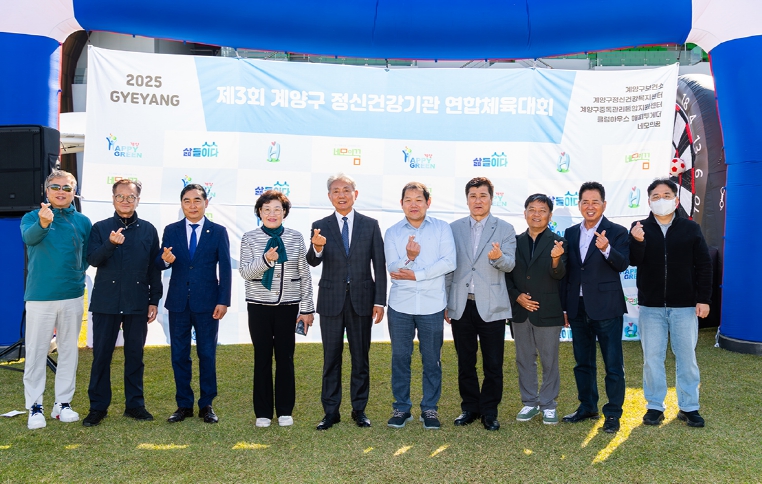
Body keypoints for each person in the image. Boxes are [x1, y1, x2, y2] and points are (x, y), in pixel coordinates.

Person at [629, 178, 712, 428]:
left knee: (686, 357)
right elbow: (633, 261)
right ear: (649, 201)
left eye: (666, 195)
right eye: (655, 196)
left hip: (685, 306)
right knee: (652, 358)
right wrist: (637, 241)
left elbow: (704, 265)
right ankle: (655, 406)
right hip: (651, 307)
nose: (661, 200)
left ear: (676, 200)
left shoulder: (691, 228)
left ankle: (689, 407)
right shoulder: (639, 227)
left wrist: (703, 299)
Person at [306, 174, 387, 430]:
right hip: (331, 301)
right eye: (336, 191)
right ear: (329, 196)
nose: (341, 195)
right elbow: (312, 261)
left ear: (355, 194)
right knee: (331, 358)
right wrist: (317, 248)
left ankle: (359, 410)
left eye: (346, 190)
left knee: (360, 358)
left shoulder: (370, 225)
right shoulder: (320, 225)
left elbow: (379, 265)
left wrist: (379, 301)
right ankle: (331, 412)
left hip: (362, 300)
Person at [83, 179, 162, 427]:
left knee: (135, 355)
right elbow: (93, 259)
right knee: (101, 356)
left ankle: (135, 405)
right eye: (120, 196)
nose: (125, 201)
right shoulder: (100, 228)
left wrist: (154, 300)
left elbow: (154, 268)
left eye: (130, 197)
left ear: (138, 200)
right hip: (106, 302)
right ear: (113, 199)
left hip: (137, 301)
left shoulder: (148, 230)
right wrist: (110, 244)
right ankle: (98, 407)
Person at [20, 170, 92, 429]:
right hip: (40, 296)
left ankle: (63, 403)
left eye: (67, 188)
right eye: (56, 187)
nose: (61, 192)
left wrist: (77, 275)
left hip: (72, 295)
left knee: (69, 351)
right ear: (46, 190)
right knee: (37, 352)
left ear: (74, 192)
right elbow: (29, 238)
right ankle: (35, 406)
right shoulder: (32, 217)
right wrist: (43, 223)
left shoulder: (83, 221)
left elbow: (87, 255)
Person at [156, 184, 232, 424]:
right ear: (181, 204)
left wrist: (223, 300)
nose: (192, 205)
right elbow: (160, 262)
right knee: (179, 355)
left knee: (207, 354)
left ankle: (206, 404)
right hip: (178, 302)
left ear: (206, 203)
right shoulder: (171, 230)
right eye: (187, 201)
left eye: (197, 200)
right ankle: (183, 405)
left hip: (208, 303)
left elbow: (225, 268)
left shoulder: (218, 232)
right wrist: (164, 260)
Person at [445, 177, 516, 431]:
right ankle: (470, 408)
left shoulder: (505, 229)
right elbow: (448, 268)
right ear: (467, 200)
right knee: (465, 362)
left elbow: (510, 264)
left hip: (492, 306)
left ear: (491, 199)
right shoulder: (453, 229)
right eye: (473, 196)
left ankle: (489, 411)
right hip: (461, 304)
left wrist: (498, 258)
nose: (478, 200)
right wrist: (446, 301)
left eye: (483, 195)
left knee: (493, 364)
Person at [239, 190, 314, 428]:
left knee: (285, 358)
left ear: (285, 213)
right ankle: (262, 412)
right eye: (267, 210)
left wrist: (307, 309)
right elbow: (245, 272)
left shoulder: (295, 237)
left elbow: (304, 274)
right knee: (261, 358)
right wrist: (266, 260)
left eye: (277, 210)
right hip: (258, 307)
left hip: (288, 307)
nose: (272, 214)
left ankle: (284, 410)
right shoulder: (249, 238)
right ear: (259, 212)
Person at [384, 182, 456, 430]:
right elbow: (393, 269)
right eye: (408, 200)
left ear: (428, 202)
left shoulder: (442, 228)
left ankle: (430, 408)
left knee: (432, 359)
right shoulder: (393, 232)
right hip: (400, 306)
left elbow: (449, 262)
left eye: (418, 200)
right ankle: (401, 408)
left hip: (432, 305)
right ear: (401, 203)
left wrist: (417, 274)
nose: (413, 204)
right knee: (400, 358)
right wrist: (410, 258)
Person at [561, 181, 630, 434]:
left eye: (595, 202)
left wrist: (606, 248)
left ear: (604, 204)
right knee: (583, 362)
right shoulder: (570, 233)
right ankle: (587, 406)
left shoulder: (617, 231)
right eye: (585, 202)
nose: (590, 206)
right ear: (579, 204)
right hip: (577, 307)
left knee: (613, 364)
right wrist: (565, 308)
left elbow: (623, 264)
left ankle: (613, 413)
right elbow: (569, 272)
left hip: (607, 308)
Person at [506, 194, 566, 425]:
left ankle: (548, 404)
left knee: (549, 360)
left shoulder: (559, 242)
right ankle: (529, 402)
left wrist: (555, 259)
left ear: (550, 215)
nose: (536, 214)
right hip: (520, 311)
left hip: (548, 311)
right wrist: (517, 296)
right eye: (532, 209)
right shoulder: (514, 242)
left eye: (542, 210)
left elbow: (560, 275)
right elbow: (506, 275)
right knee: (524, 359)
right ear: (525, 213)